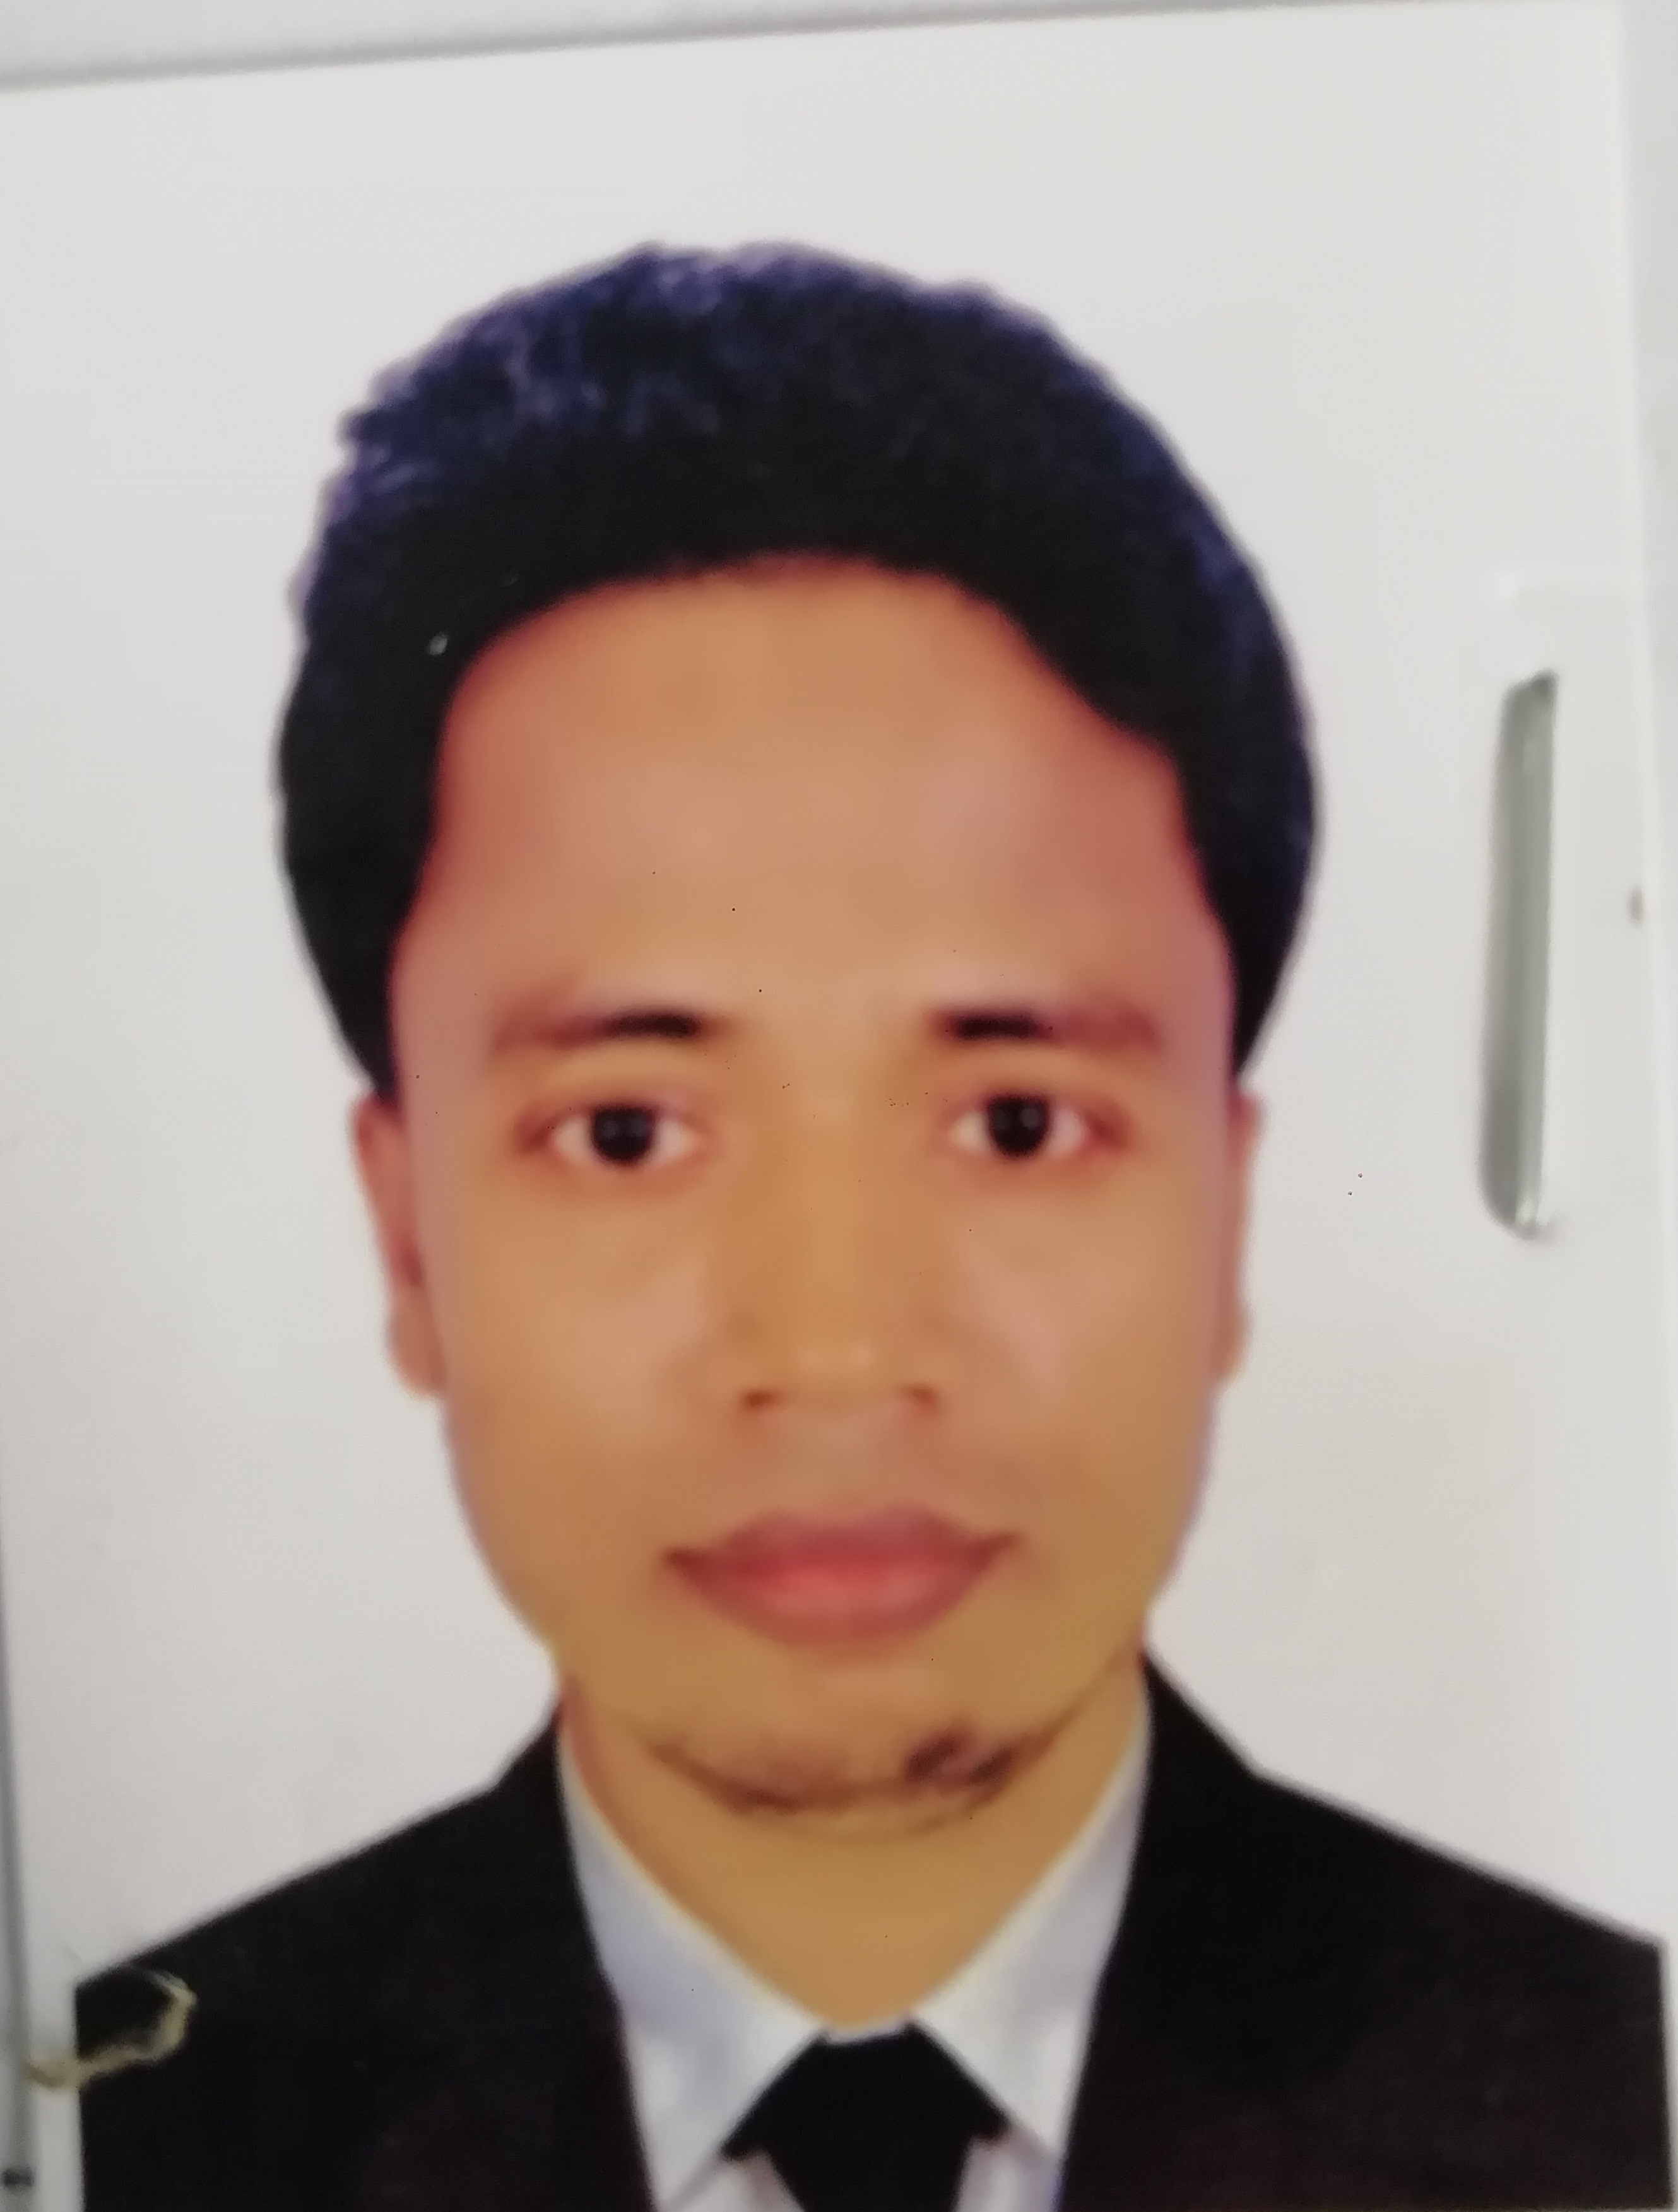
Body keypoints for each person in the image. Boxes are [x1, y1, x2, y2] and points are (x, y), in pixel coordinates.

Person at [74, 245, 1670, 2212]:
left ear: (1228, 1209)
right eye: (629, 1129)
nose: (832, 1352)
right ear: (406, 1238)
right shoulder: (131, 2121)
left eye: (1016, 1121)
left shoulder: (1614, 2106)